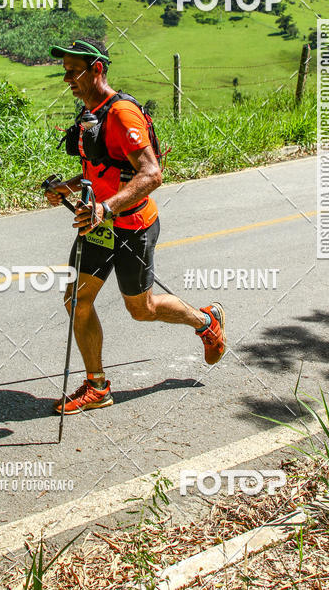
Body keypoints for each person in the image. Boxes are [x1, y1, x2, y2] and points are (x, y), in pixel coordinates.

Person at [44, 38, 226, 415]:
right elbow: (102, 166)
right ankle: (97, 386)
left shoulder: (122, 114)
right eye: (64, 72)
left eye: (73, 71)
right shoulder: (89, 113)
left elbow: (152, 173)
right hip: (98, 223)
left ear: (97, 70)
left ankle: (206, 321)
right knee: (76, 301)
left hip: (132, 226)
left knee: (141, 310)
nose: (67, 80)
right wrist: (71, 186)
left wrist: (106, 207)